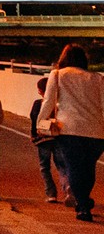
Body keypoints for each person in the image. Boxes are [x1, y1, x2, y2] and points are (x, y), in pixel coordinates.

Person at [39, 44, 104, 222]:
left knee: (74, 167)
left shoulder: (58, 74)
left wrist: (40, 122)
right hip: (96, 132)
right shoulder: (97, 78)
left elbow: (48, 100)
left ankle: (83, 207)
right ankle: (84, 199)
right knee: (88, 168)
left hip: (69, 129)